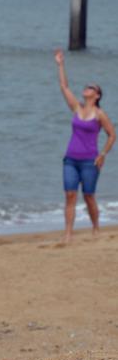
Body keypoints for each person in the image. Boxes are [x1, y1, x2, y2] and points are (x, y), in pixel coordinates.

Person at [54, 49, 115, 243]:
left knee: (88, 196)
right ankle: (68, 234)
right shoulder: (76, 107)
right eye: (86, 86)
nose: (86, 88)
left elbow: (112, 135)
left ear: (97, 95)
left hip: (90, 161)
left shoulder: (100, 114)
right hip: (71, 159)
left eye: (91, 88)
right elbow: (64, 87)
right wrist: (61, 64)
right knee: (70, 195)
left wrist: (103, 154)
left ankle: (96, 228)